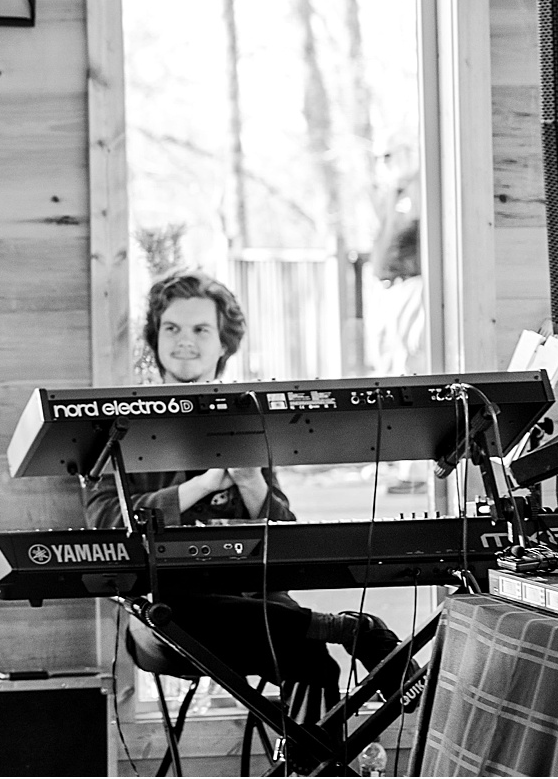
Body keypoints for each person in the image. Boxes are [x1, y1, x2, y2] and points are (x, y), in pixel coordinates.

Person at [83, 271, 409, 705]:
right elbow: (105, 520)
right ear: (155, 337)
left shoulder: (248, 423)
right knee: (169, 610)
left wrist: (251, 479)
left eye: (201, 329)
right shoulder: (119, 424)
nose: (185, 340)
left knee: (315, 663)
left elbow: (287, 539)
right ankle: (343, 628)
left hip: (256, 604)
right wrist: (205, 484)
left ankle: (312, 771)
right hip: (164, 617)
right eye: (172, 328)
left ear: (223, 344)